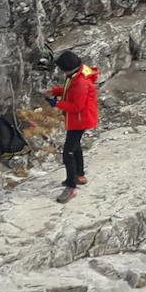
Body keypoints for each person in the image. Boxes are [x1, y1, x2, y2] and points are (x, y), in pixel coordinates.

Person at [47, 50, 100, 203]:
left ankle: (71, 187)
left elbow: (76, 106)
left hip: (79, 120)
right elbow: (70, 91)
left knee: (68, 152)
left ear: (68, 68)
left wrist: (55, 103)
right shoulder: (77, 75)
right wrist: (55, 91)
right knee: (75, 146)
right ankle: (79, 175)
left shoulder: (81, 83)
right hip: (78, 119)